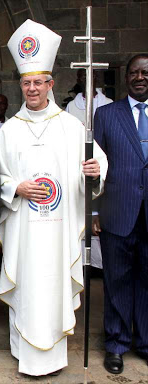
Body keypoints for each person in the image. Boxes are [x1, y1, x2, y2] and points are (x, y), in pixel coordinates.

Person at [0, 20, 108, 377]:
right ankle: (22, 352)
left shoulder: (72, 127)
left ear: (50, 84)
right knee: (27, 285)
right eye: (27, 82)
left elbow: (96, 163)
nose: (32, 88)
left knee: (53, 285)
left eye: (38, 82)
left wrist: (93, 172)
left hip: (58, 230)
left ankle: (54, 356)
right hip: (24, 227)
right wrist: (16, 188)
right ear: (21, 85)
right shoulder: (10, 129)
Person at [94, 53, 148, 375]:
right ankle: (116, 344)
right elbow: (94, 169)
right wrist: (95, 211)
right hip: (117, 212)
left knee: (146, 282)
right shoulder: (106, 115)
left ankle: (143, 342)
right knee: (116, 281)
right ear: (126, 77)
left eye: (145, 72)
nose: (140, 77)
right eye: (134, 73)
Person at [65, 70, 112, 272]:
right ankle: (81, 264)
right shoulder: (70, 106)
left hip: (101, 159)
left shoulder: (108, 103)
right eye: (82, 77)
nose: (87, 80)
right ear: (78, 80)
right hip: (78, 162)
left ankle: (99, 264)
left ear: (98, 80)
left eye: (91, 76)